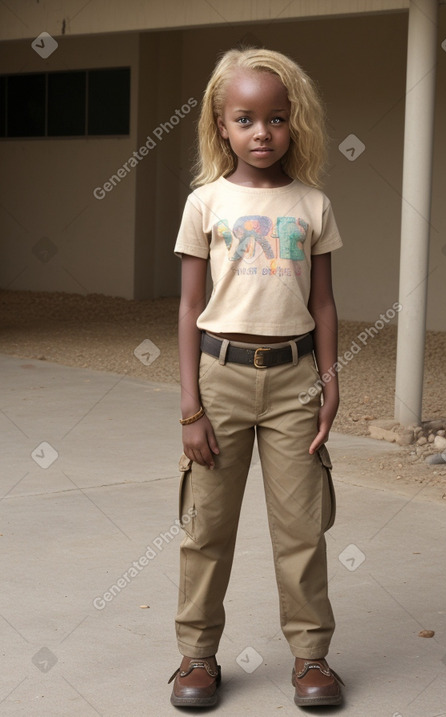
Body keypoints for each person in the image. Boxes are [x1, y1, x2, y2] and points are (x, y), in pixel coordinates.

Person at [168, 47, 344, 709]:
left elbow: (323, 303)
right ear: (221, 125)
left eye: (275, 117)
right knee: (206, 526)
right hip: (221, 378)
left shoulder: (313, 204)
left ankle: (312, 658)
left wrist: (331, 382)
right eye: (245, 118)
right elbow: (188, 306)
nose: (261, 132)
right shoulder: (204, 203)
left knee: (303, 528)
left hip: (296, 381)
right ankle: (197, 657)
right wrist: (191, 405)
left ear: (294, 122)